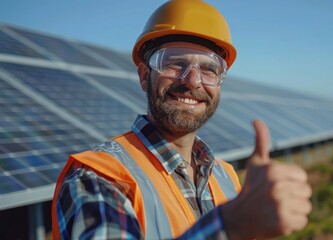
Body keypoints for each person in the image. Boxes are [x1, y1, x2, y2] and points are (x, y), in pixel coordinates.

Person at [51, 0, 312, 239]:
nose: (192, 81)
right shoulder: (99, 177)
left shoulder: (226, 175)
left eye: (209, 69)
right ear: (144, 76)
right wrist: (232, 225)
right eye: (175, 63)